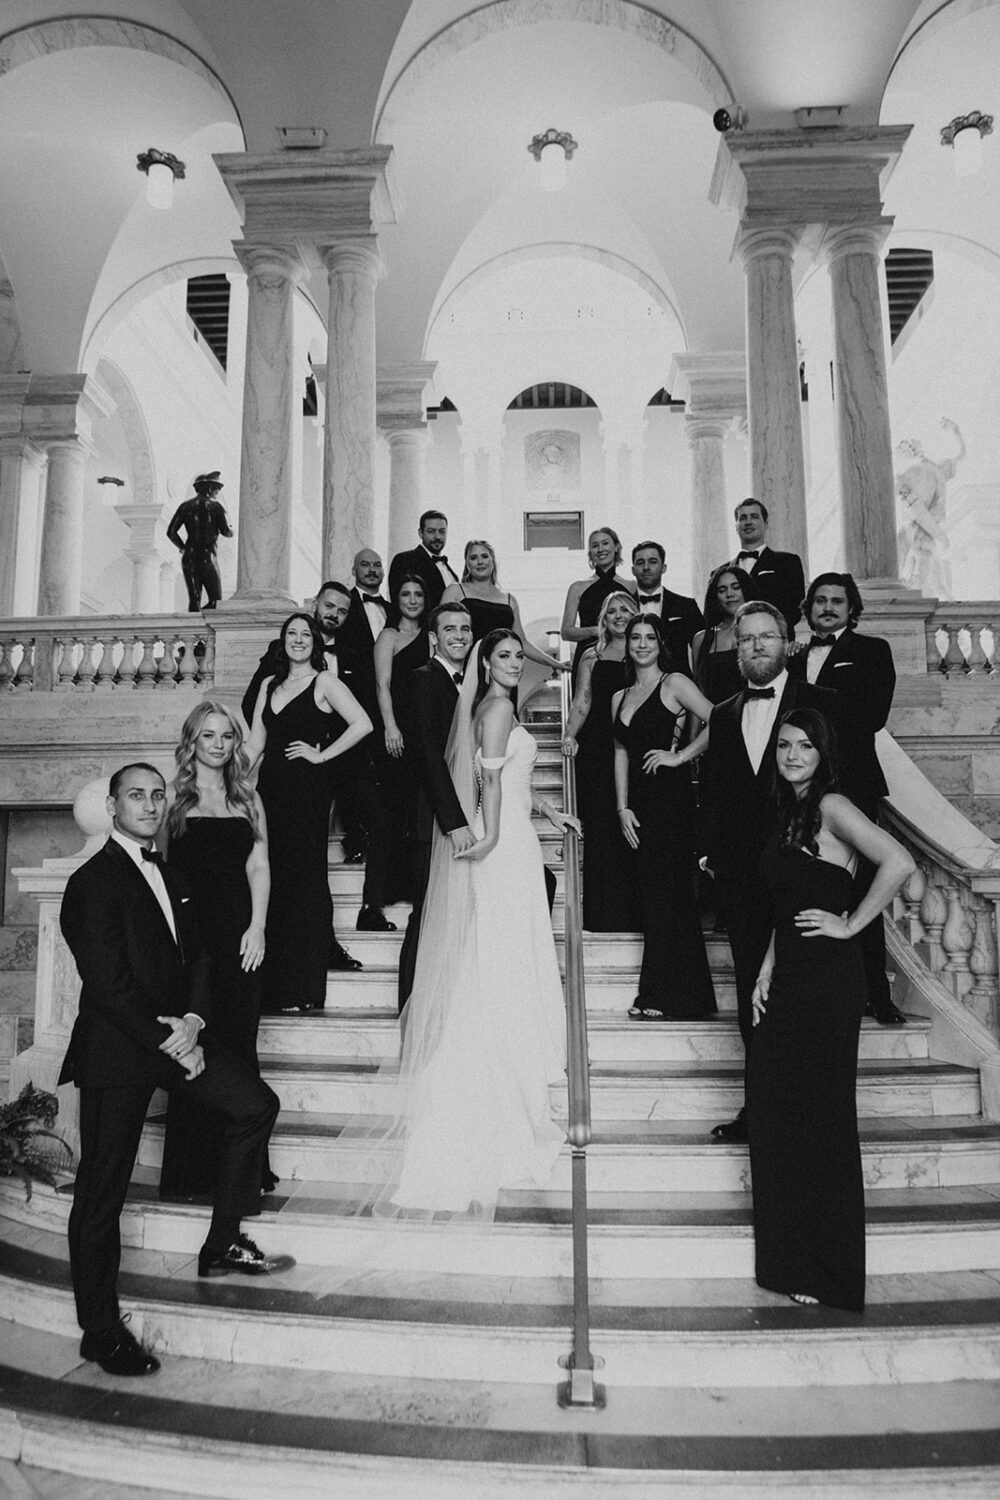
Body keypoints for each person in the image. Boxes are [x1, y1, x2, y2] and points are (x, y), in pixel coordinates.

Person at [60, 764, 285, 1377]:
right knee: (103, 1186)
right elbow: (106, 983)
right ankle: (99, 1330)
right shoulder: (91, 881)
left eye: (158, 796)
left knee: (254, 1106)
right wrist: (168, 1037)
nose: (151, 804)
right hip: (119, 1049)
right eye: (137, 795)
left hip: (177, 1037)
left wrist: (192, 1019)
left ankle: (220, 1241)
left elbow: (202, 957)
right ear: (112, 806)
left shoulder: (173, 875)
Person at [363, 628, 579, 1219]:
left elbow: (512, 777)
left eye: (517, 655)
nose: (513, 663)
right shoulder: (497, 706)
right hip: (501, 846)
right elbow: (486, 781)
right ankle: (507, 1056)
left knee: (507, 949)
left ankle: (519, 1043)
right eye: (502, 655)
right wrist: (491, 838)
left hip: (513, 837)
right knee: (502, 954)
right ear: (486, 662)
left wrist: (552, 809)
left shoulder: (494, 703)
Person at [748, 709, 913, 1311]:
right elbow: (790, 900)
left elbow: (899, 862)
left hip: (826, 981)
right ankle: (790, 1259)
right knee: (777, 1112)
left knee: (819, 1117)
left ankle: (826, 1270)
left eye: (805, 746)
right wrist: (768, 964)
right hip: (789, 974)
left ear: (823, 753)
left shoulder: (834, 806)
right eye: (785, 745)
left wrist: (851, 924)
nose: (793, 754)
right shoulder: (788, 813)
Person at [699, 600, 836, 1141]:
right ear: (737, 647)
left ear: (788, 643)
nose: (756, 645)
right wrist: (709, 853)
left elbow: (844, 780)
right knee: (751, 995)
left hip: (805, 873)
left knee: (802, 994)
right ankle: (760, 1111)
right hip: (741, 879)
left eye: (766, 636)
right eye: (746, 638)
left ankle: (807, 1111)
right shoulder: (723, 712)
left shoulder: (820, 701)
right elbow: (715, 792)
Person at [159, 701, 277, 1202]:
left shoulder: (247, 796)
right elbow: (158, 871)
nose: (218, 744)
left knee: (238, 1042)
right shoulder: (171, 798)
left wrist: (258, 926)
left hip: (239, 936)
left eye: (227, 736)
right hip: (190, 939)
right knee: (197, 1049)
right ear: (193, 740)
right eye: (208, 735)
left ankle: (243, 1169)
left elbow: (259, 865)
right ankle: (192, 1172)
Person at [242, 582, 392, 939]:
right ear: (316, 607)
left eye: (342, 610)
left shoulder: (352, 655)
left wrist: (323, 750)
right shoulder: (273, 672)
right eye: (329, 607)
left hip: (335, 760)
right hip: (282, 770)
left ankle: (363, 912)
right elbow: (255, 729)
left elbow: (364, 717)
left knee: (376, 822)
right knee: (273, 860)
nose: (335, 614)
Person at [788, 572, 903, 1025]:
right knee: (804, 887)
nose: (828, 608)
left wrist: (813, 702)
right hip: (800, 791)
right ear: (808, 608)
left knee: (862, 889)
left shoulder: (873, 651)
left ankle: (876, 993)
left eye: (837, 601)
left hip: (852, 785)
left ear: (850, 608)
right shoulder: (794, 658)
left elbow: (871, 716)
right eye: (820, 601)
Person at [246, 613, 373, 1012]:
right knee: (272, 879)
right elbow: (254, 744)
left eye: (305, 635)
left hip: (306, 792)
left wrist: (322, 755)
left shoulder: (325, 682)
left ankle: (303, 988)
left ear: (315, 644)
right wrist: (227, 783)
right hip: (268, 790)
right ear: (282, 641)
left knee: (305, 881)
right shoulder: (269, 685)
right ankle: (272, 985)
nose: (298, 640)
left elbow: (363, 724)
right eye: (291, 634)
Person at [612, 614, 717, 1019]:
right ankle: (658, 992)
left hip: (670, 803)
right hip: (637, 806)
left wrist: (681, 756)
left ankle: (676, 997)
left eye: (649, 637)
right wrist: (622, 807)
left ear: (660, 643)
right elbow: (620, 753)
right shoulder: (618, 696)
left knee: (671, 896)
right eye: (635, 637)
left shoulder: (673, 683)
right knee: (653, 899)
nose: (641, 644)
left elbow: (720, 720)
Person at [396, 602, 476, 1010]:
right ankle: (411, 1014)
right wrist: (454, 821)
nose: (459, 635)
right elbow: (428, 755)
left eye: (465, 628)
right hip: (433, 820)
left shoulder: (470, 685)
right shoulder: (424, 679)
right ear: (433, 638)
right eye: (450, 629)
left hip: (461, 814)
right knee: (425, 916)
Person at [562, 590, 640, 931]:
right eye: (612, 612)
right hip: (596, 745)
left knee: (633, 823)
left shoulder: (646, 649)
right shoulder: (592, 654)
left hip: (635, 744)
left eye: (625, 610)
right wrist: (569, 735)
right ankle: (602, 913)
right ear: (603, 620)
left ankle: (634, 909)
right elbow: (582, 700)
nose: (619, 615)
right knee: (600, 824)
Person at [372, 573, 431, 903]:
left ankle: (419, 884)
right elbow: (382, 686)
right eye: (406, 594)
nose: (412, 600)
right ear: (397, 600)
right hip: (399, 731)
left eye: (418, 594)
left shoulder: (432, 636)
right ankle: (392, 888)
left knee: (422, 808)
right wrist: (390, 727)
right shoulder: (388, 636)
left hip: (428, 731)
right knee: (398, 809)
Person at [441, 538, 568, 683]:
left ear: (493, 561)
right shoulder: (456, 591)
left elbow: (522, 643)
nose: (480, 562)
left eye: (484, 556)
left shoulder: (509, 600)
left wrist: (555, 663)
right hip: (466, 670)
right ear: (467, 564)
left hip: (503, 673)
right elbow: (440, 632)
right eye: (473, 558)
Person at [714, 500, 806, 638]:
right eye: (743, 518)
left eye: (754, 516)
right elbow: (715, 615)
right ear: (736, 527)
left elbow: (794, 609)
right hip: (733, 645)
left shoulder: (788, 562)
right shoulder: (719, 573)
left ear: (766, 524)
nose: (748, 522)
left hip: (776, 642)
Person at [560, 526, 635, 681]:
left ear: (616, 547)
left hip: (624, 657)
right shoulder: (577, 587)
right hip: (588, 658)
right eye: (595, 546)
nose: (600, 549)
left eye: (605, 543)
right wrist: (597, 630)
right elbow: (566, 632)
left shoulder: (632, 586)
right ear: (590, 553)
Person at [629, 540, 704, 675]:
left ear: (664, 568)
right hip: (634, 684)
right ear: (633, 570)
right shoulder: (624, 608)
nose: (646, 567)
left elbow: (704, 649)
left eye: (652, 561)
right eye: (640, 562)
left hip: (679, 685)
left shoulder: (686, 606)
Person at [166, 471, 233, 611]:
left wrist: (183, 547)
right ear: (209, 488)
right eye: (217, 488)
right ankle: (207, 631)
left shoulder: (185, 506)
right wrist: (231, 526)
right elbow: (227, 532)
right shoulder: (216, 507)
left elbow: (171, 532)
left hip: (189, 556)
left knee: (194, 600)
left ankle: (194, 629)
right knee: (215, 601)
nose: (218, 491)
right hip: (208, 556)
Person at [338, 548, 390, 720]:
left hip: (391, 698)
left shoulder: (393, 610)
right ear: (354, 571)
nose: (372, 570)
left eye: (377, 565)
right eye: (365, 565)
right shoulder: (343, 606)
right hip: (354, 697)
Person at [692, 564, 755, 704]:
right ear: (715, 597)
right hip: (716, 719)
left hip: (758, 717)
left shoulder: (763, 631)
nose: (729, 594)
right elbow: (699, 693)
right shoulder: (701, 639)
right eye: (722, 590)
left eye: (736, 587)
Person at [388, 509, 458, 612]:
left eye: (442, 531)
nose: (437, 536)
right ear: (420, 533)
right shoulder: (404, 560)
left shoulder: (449, 570)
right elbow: (398, 602)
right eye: (431, 531)